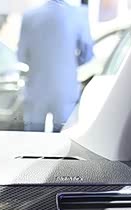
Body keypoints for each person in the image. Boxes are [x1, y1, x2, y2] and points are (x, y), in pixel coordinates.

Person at [17, 0, 93, 132]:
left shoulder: (29, 16)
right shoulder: (78, 14)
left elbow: (21, 55)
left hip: (36, 89)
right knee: (64, 138)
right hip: (65, 89)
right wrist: (70, 64)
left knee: (32, 139)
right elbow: (87, 54)